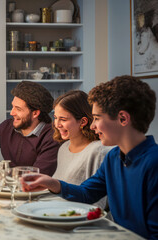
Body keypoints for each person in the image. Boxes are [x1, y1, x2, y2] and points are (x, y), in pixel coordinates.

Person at [21, 76, 158, 239]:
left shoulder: (153, 163)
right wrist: (51, 183)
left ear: (122, 118)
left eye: (97, 118)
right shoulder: (114, 157)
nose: (92, 126)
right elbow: (87, 193)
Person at [0, 81, 59, 176]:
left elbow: (35, 177)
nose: (12, 112)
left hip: (33, 189)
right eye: (12, 106)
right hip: (9, 186)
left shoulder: (52, 138)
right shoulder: (7, 126)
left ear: (35, 113)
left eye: (18, 109)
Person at [52, 90, 112, 209]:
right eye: (55, 118)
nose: (57, 124)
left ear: (83, 121)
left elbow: (97, 204)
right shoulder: (64, 148)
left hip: (82, 220)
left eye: (63, 119)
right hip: (57, 212)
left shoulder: (98, 151)